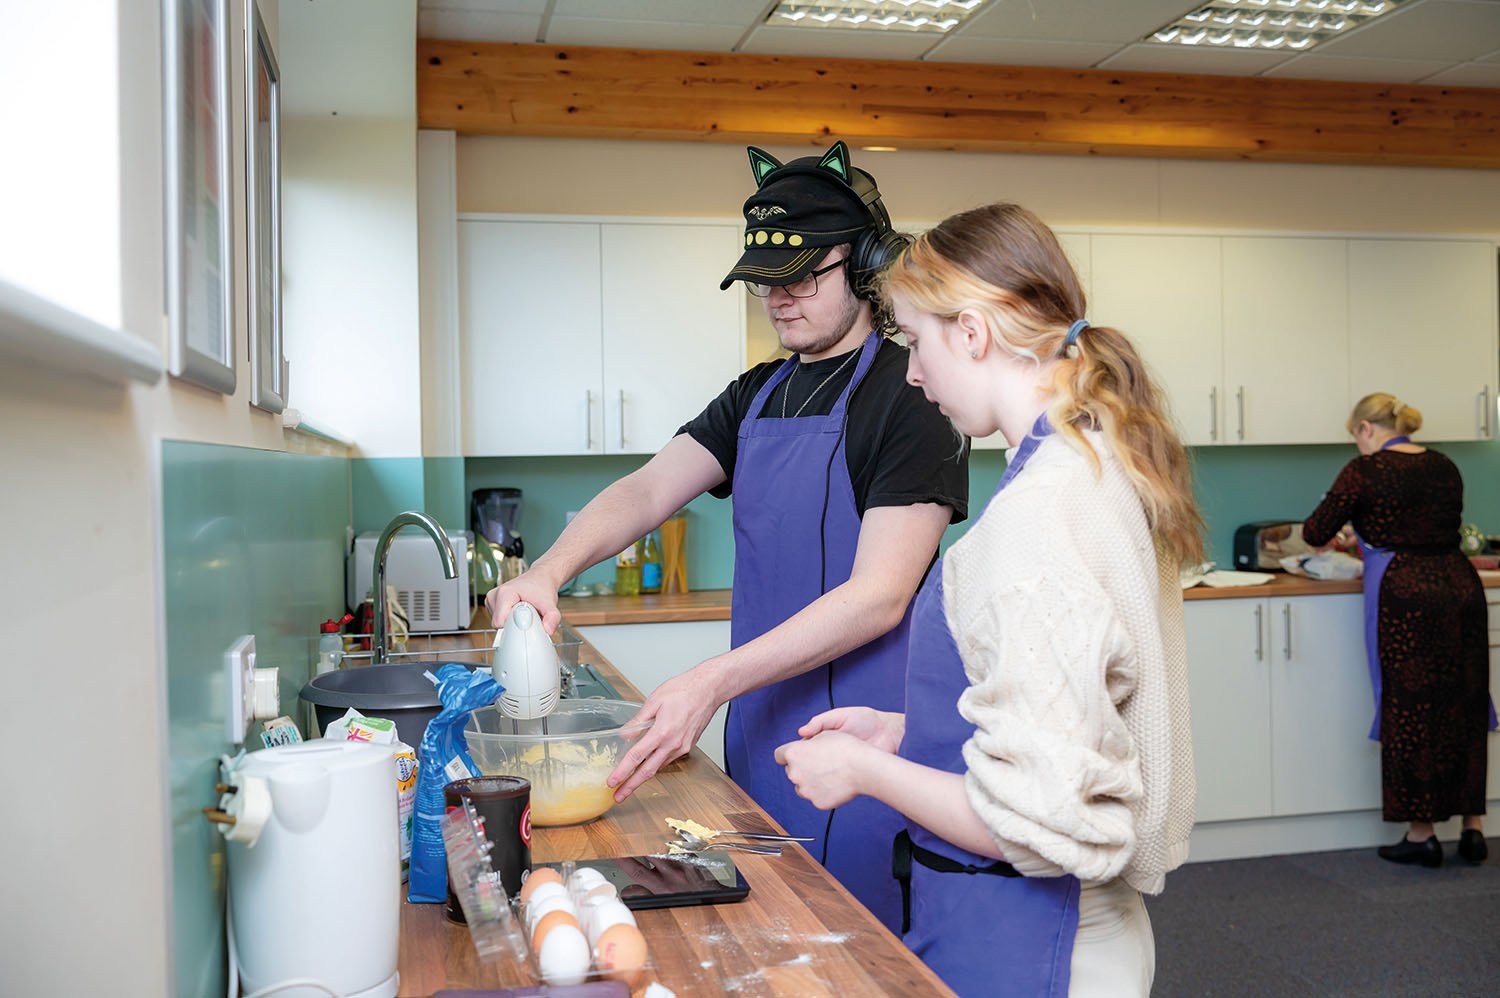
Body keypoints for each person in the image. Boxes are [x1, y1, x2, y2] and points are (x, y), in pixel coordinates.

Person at [486, 141, 968, 930]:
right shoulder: (756, 395)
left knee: (857, 950)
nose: (779, 298)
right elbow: (648, 488)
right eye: (764, 282)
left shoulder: (911, 396)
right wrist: (549, 570)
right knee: (768, 940)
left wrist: (708, 680)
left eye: (803, 276)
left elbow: (881, 596)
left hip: (869, 747)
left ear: (863, 265)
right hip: (757, 729)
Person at [774, 202, 1201, 996]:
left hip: (1035, 937)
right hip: (1071, 930)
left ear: (971, 333)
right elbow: (1073, 714)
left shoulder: (1035, 520)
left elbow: (1038, 822)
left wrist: (864, 771)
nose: (911, 372)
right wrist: (913, 734)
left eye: (914, 340)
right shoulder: (1095, 462)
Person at [1303, 393, 1492, 868]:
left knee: (1410, 709)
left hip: (1406, 594)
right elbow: (1422, 521)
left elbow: (1313, 530)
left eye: (1356, 436)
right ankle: (1474, 829)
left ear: (1367, 428)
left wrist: (1351, 531)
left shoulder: (1364, 471)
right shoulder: (1444, 465)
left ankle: (1422, 834)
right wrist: (1365, 529)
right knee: (1465, 702)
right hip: (1460, 586)